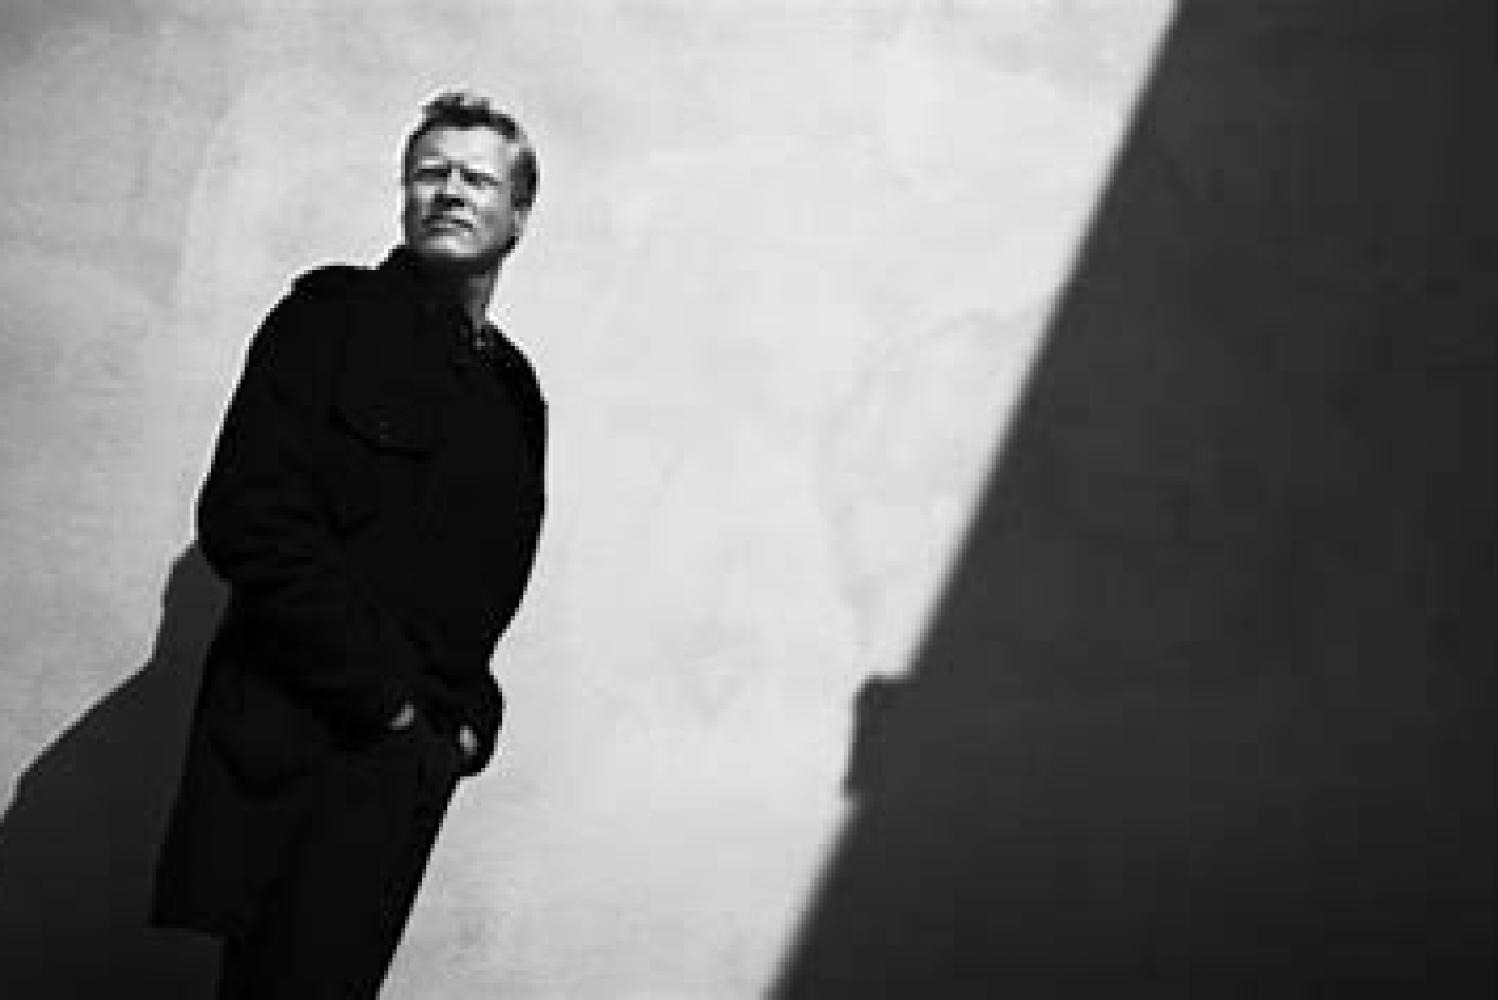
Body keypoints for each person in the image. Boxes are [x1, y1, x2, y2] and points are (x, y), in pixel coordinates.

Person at [152, 90, 547, 998]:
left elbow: (488, 577)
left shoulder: (514, 390)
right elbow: (248, 517)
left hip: (404, 771)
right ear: (405, 194)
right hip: (303, 743)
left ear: (518, 216)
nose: (450, 191)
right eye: (430, 173)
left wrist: (465, 722)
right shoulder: (327, 318)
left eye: (477, 179)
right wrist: (385, 700)